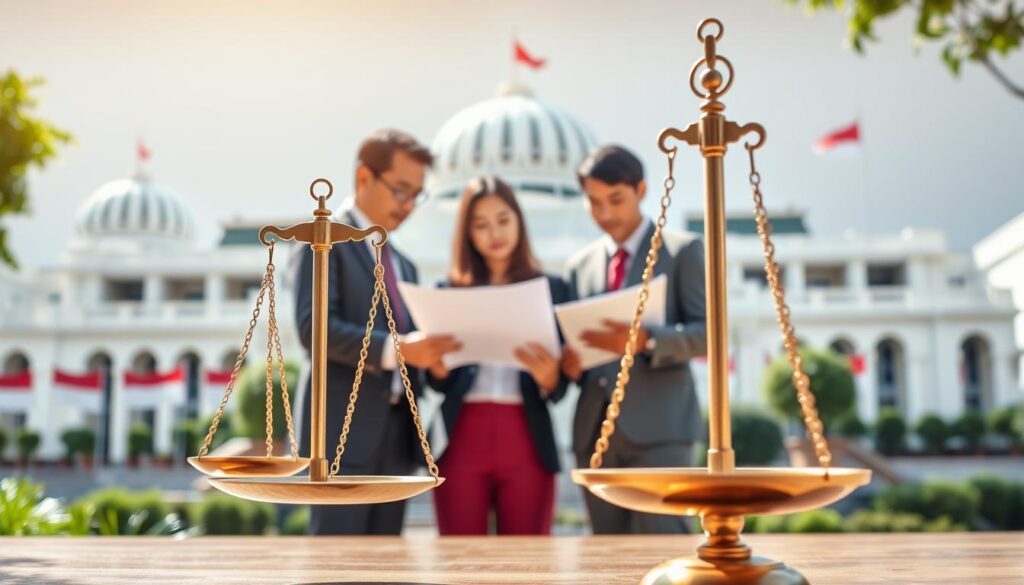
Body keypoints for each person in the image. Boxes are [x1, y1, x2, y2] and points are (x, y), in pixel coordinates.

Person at [293, 129, 462, 535]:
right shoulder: (323, 241)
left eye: (416, 195)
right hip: (337, 437)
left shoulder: (404, 264)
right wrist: (401, 350)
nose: (407, 206)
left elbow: (409, 357)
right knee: (335, 564)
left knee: (385, 567)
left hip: (395, 439)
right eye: (400, 190)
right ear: (364, 178)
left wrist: (432, 362)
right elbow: (313, 329)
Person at [561, 145, 707, 534]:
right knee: (609, 555)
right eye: (594, 203)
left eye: (615, 200)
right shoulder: (580, 266)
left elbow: (706, 334)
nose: (605, 214)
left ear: (641, 190)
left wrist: (645, 341)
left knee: (662, 544)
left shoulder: (681, 251)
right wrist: (571, 365)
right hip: (595, 430)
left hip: (661, 429)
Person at [429, 176, 571, 535]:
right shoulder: (447, 291)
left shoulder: (553, 289)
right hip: (461, 434)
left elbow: (561, 384)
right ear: (468, 234)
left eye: (503, 220)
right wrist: (437, 366)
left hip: (527, 434)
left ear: (519, 222)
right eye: (481, 224)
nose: (495, 232)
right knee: (459, 559)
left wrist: (550, 377)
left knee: (527, 562)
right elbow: (434, 381)